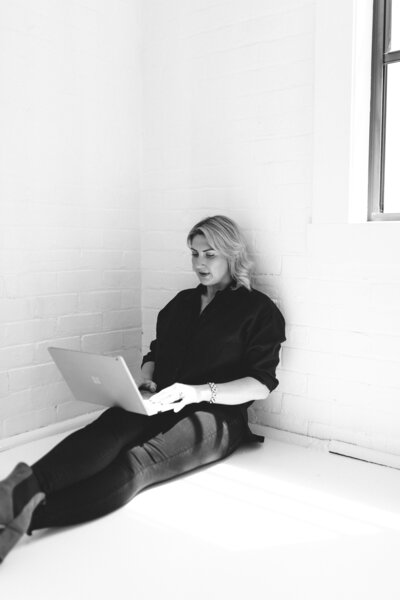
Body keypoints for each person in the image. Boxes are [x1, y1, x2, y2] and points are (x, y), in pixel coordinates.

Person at [0, 215, 285, 563]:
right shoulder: (179, 304)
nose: (199, 263)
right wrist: (145, 379)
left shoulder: (259, 310)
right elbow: (156, 353)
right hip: (162, 398)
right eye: (194, 254)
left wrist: (198, 392)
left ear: (231, 253)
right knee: (108, 428)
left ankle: (31, 515)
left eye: (209, 254)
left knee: (138, 463)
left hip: (216, 414)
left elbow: (260, 384)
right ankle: (21, 490)